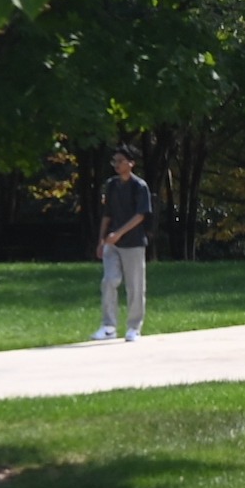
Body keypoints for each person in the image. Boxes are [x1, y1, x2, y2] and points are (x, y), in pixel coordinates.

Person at [91, 145, 153, 341]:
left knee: (135, 286)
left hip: (133, 243)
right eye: (114, 161)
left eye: (120, 161)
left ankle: (134, 327)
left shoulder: (139, 186)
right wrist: (102, 240)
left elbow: (140, 215)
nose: (116, 165)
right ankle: (108, 326)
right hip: (112, 244)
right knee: (109, 281)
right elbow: (107, 214)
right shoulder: (111, 185)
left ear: (131, 163)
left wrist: (118, 234)